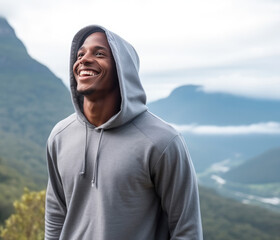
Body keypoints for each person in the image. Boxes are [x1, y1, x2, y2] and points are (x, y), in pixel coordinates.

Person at [45, 25, 203, 240]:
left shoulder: (162, 141)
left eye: (99, 53)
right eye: (80, 54)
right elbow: (56, 214)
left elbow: (186, 230)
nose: (84, 59)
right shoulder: (60, 136)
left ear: (123, 69)